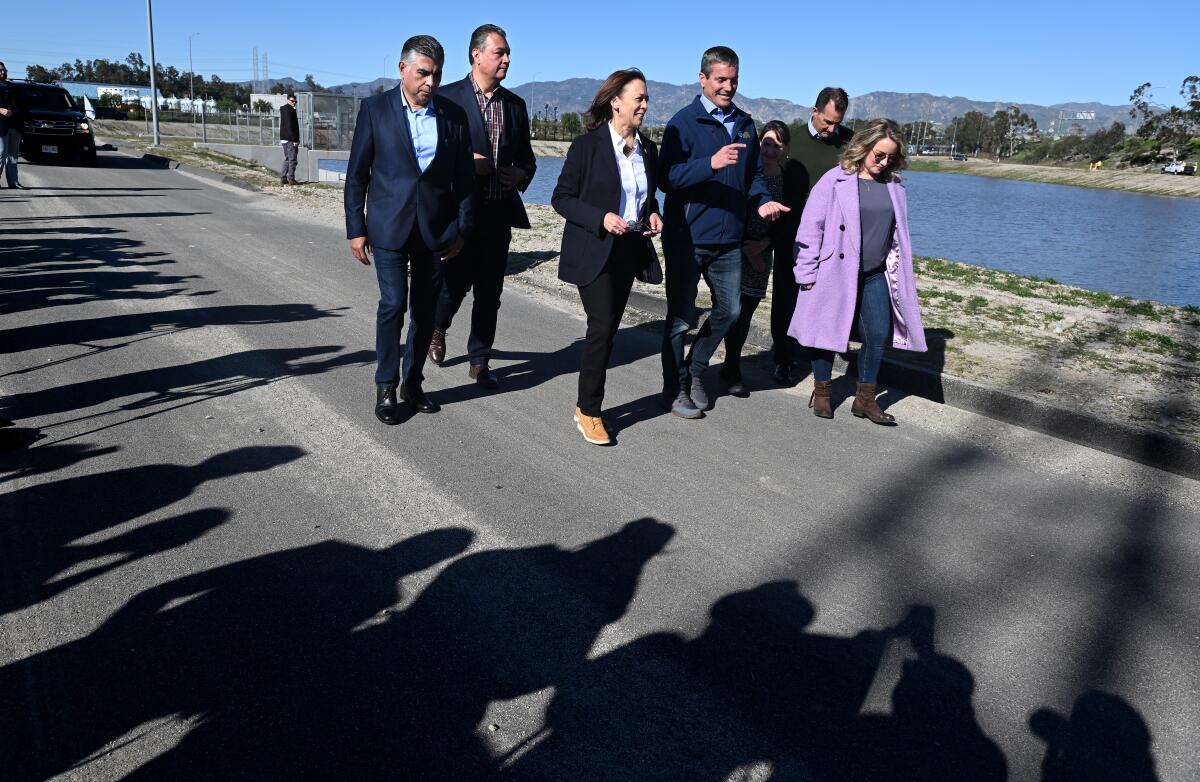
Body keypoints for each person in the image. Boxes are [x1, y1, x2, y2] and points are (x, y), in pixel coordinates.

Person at [344, 35, 475, 425]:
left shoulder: (453, 116)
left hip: (435, 231)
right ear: (402, 69)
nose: (429, 83)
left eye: (435, 75)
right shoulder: (375, 110)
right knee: (393, 304)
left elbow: (465, 180)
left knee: (425, 312)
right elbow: (357, 176)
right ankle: (386, 385)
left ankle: (412, 385)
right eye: (422, 74)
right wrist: (356, 227)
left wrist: (462, 229)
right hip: (387, 227)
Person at [658, 46, 790, 419]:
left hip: (727, 240)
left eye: (733, 80)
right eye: (721, 80)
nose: (728, 86)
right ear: (703, 79)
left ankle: (695, 371)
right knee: (681, 318)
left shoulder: (746, 124)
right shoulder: (682, 123)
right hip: (687, 239)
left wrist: (762, 200)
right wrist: (709, 164)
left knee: (730, 311)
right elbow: (666, 179)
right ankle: (674, 389)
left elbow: (754, 178)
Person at [788, 118, 926, 424]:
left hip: (874, 272)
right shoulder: (834, 179)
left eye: (891, 157)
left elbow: (895, 234)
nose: (884, 162)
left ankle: (865, 400)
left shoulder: (894, 187)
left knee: (877, 334)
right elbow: (811, 227)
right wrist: (806, 272)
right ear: (864, 148)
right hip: (833, 269)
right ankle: (822, 391)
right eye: (879, 155)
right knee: (823, 330)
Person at [552, 69, 663, 445]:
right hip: (593, 251)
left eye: (646, 98)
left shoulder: (648, 148)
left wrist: (652, 213)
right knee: (601, 327)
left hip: (630, 251)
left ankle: (588, 403)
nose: (645, 105)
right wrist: (601, 217)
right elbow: (561, 198)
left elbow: (646, 196)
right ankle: (589, 410)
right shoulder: (587, 147)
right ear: (616, 101)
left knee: (609, 330)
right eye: (639, 98)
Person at [431, 24, 536, 390]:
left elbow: (530, 161)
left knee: (490, 294)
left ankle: (480, 360)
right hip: (459, 215)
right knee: (453, 287)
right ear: (477, 55)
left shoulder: (516, 106)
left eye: (508, 53)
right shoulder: (445, 100)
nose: (506, 59)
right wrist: (465, 161)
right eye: (499, 52)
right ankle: (437, 327)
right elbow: (427, 159)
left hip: (497, 214)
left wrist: (518, 174)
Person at [771, 87, 852, 385]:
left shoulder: (850, 142)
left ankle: (818, 364)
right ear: (813, 111)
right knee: (786, 299)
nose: (832, 129)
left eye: (837, 123)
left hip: (832, 241)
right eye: (827, 122)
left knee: (825, 299)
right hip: (790, 236)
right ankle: (782, 358)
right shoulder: (790, 141)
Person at [718, 120, 791, 394]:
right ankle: (708, 362)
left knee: (746, 314)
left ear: (785, 149)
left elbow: (786, 222)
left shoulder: (785, 178)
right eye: (767, 143)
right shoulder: (749, 173)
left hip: (762, 253)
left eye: (777, 145)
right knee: (728, 310)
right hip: (736, 248)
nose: (771, 150)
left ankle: (732, 365)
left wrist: (762, 246)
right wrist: (744, 246)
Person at [0, 62, 25, 190]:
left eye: (4, 69)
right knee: (1, 153)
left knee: (13, 155)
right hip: (1, 126)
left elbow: (21, 105)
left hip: (15, 125)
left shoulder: (12, 87)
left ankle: (13, 182)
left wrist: (29, 121)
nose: (3, 72)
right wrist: (1, 110)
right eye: (0, 70)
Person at [279, 93, 300, 185]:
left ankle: (283, 178)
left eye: (295, 101)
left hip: (284, 138)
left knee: (288, 158)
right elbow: (290, 126)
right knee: (292, 159)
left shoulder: (285, 110)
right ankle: (291, 178)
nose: (294, 103)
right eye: (292, 101)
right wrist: (295, 139)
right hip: (290, 139)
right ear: (288, 100)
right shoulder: (289, 110)